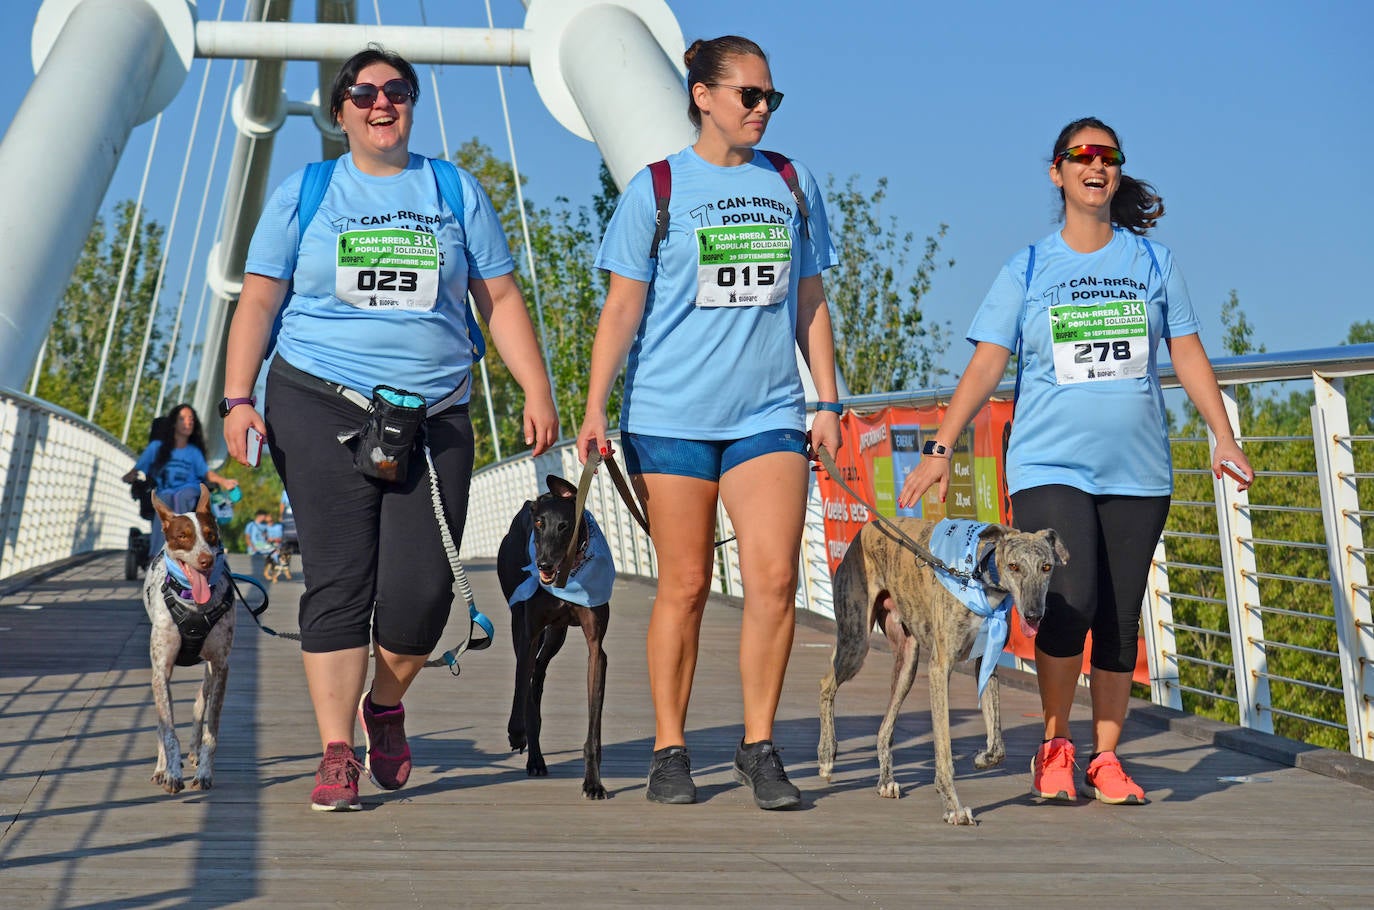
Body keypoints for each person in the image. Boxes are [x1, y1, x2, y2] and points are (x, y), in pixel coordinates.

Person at [220, 45, 558, 811]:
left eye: (398, 91)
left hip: (432, 413)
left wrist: (537, 389)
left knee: (423, 593)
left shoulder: (453, 190)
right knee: (340, 579)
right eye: (365, 92)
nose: (383, 103)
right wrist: (238, 399)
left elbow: (498, 301)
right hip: (318, 398)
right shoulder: (306, 193)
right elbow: (260, 303)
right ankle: (338, 748)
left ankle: (385, 703)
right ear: (339, 111)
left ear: (412, 105)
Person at [897, 117, 1254, 806]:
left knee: (1120, 616)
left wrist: (1223, 435)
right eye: (1081, 156)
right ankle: (1054, 747)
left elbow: (1186, 353)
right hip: (1048, 464)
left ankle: (1107, 758)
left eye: (1108, 157)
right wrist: (942, 445)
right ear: (1056, 171)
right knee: (1072, 598)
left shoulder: (1153, 264)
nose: (1097, 166)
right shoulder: (1028, 268)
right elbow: (988, 362)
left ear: (1117, 171)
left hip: (1138, 469)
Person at [575, 35, 842, 810]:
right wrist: (594, 405)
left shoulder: (792, 183)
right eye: (748, 96)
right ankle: (669, 749)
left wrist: (825, 400)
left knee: (775, 581)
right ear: (703, 96)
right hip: (671, 416)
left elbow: (810, 300)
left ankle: (759, 746)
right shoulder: (656, 188)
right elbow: (622, 306)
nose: (761, 109)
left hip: (769, 415)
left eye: (770, 99)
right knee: (686, 585)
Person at [123, 403, 239, 557]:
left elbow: (207, 473)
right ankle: (160, 553)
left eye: (191, 419)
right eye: (182, 419)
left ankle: (185, 546)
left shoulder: (193, 452)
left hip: (189, 490)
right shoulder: (156, 447)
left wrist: (224, 482)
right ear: (173, 424)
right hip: (165, 491)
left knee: (183, 496)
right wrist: (130, 475)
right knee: (162, 502)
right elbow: (139, 467)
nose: (188, 422)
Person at [244, 509, 275, 580]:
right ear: (260, 516)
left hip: (263, 546)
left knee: (274, 551)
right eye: (264, 516)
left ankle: (271, 572)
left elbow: (267, 536)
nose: (265, 517)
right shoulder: (251, 525)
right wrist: (252, 547)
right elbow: (247, 537)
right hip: (255, 547)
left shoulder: (264, 525)